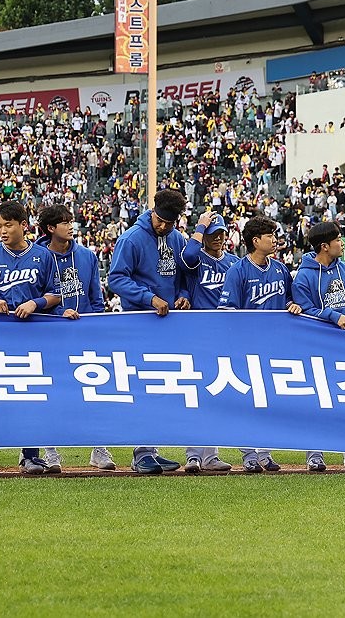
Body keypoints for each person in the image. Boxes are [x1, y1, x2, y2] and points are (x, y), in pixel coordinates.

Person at [0, 200, 62, 476]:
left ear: (23, 225)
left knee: (28, 395)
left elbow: (56, 293)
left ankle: (30, 456)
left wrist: (35, 303)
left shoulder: (43, 256)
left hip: (30, 336)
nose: (3, 230)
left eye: (8, 225)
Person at [107, 188, 191, 475]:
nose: (164, 227)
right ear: (152, 211)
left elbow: (183, 275)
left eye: (170, 223)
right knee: (142, 386)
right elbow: (116, 279)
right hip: (139, 322)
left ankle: (151, 450)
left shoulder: (176, 238)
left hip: (169, 323)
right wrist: (148, 297)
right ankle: (140, 452)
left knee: (161, 387)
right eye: (161, 221)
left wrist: (182, 294)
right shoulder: (131, 238)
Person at [34, 204, 115, 473]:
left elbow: (95, 296)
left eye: (71, 220)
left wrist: (97, 323)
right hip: (49, 334)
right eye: (64, 222)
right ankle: (50, 451)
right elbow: (38, 295)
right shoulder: (37, 257)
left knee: (94, 390)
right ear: (50, 229)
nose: (71, 225)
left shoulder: (87, 256)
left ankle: (99, 448)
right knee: (51, 393)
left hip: (85, 334)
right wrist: (58, 313)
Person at [219, 217, 303, 472]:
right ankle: (248, 454)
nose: (275, 239)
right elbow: (226, 310)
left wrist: (293, 305)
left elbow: (290, 299)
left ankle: (265, 453)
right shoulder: (238, 270)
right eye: (269, 235)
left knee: (269, 401)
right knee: (246, 403)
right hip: (246, 347)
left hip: (275, 346)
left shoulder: (280, 269)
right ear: (255, 241)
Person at [291, 221, 345, 471]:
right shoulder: (304, 276)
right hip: (317, 347)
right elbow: (306, 310)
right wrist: (333, 316)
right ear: (324, 246)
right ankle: (315, 454)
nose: (341, 243)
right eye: (337, 239)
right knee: (316, 400)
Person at [178, 210, 236, 473]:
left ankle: (211, 454)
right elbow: (188, 256)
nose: (219, 238)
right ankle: (193, 454)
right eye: (214, 234)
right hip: (197, 331)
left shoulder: (233, 263)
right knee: (195, 393)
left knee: (216, 392)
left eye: (222, 233)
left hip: (224, 334)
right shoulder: (197, 257)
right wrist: (200, 228)